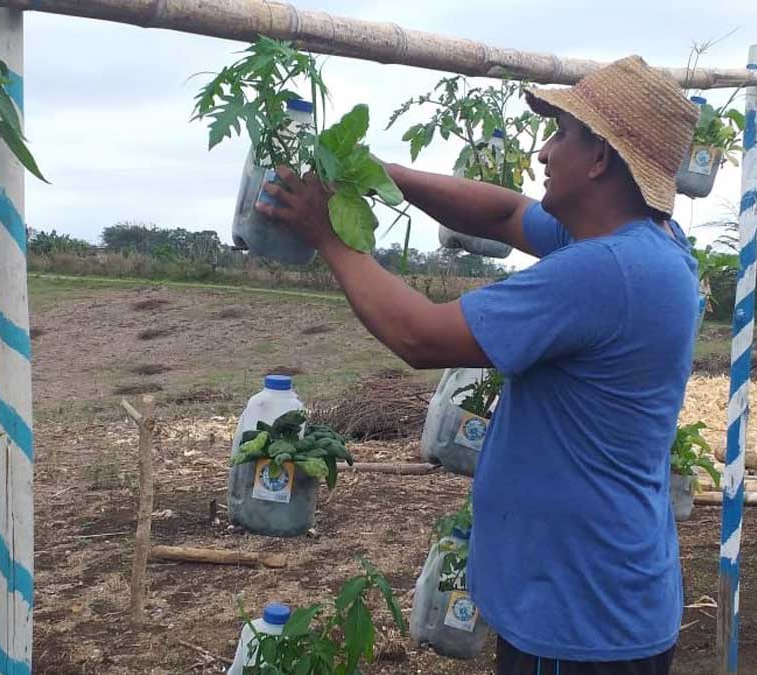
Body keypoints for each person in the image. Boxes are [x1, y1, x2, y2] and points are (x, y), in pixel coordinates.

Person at [255, 55, 700, 675]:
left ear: (600, 159)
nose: (544, 153)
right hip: (594, 592)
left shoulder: (608, 272)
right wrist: (386, 176)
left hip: (577, 616)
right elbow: (505, 214)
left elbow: (422, 337)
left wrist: (327, 236)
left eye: (562, 135)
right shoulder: (644, 246)